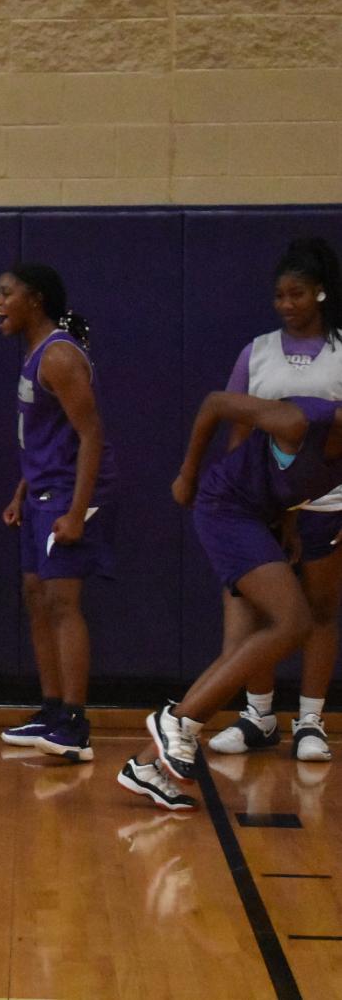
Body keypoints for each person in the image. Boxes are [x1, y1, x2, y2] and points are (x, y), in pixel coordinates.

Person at [124, 393, 342, 811]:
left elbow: (299, 480)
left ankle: (145, 765)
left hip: (263, 520)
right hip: (225, 508)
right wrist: (187, 475)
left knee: (239, 652)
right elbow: (214, 404)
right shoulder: (300, 420)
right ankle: (174, 722)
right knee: (294, 622)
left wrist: (291, 522)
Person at [207, 238, 342, 764]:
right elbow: (237, 427)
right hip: (262, 503)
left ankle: (310, 721)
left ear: (321, 294)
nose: (287, 304)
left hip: (328, 501)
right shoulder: (256, 351)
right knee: (267, 611)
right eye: (280, 296)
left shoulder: (340, 352)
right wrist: (239, 495)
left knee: (321, 609)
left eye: (298, 294)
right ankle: (258, 716)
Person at [0, 264, 117, 763]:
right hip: (42, 489)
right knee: (35, 595)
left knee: (64, 603)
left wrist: (75, 510)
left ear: (36, 299)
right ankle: (50, 709)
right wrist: (23, 489)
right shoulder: (33, 354)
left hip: (69, 493)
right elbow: (47, 435)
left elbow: (91, 435)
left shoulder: (60, 356)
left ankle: (75, 722)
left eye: (6, 294)